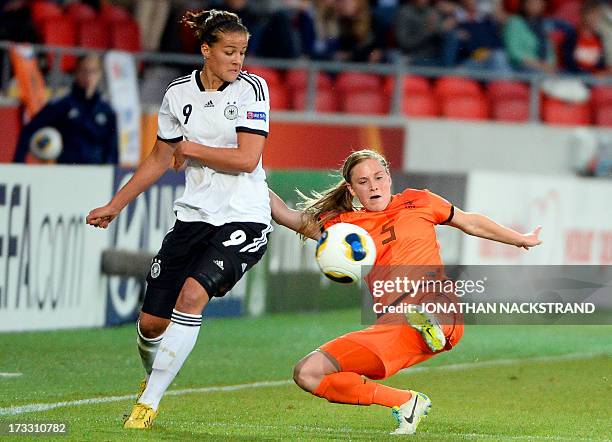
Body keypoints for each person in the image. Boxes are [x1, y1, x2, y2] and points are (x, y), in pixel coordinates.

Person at [268, 149, 542, 435]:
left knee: (428, 300)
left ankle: (431, 321)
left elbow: (469, 221)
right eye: (363, 182)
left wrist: (519, 239)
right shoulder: (344, 228)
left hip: (439, 303)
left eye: (378, 177)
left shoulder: (419, 200)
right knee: (308, 372)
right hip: (393, 326)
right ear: (351, 189)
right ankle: (406, 402)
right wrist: (251, 178)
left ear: (389, 178)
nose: (373, 185)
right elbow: (286, 215)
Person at [86, 9, 272, 429]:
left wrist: (190, 149)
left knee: (191, 298)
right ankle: (151, 379)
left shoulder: (252, 90)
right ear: (206, 50)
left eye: (242, 52)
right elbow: (159, 157)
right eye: (229, 52)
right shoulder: (176, 93)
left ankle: (148, 405)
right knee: (151, 323)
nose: (238, 61)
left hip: (243, 217)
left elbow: (247, 160)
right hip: (193, 217)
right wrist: (117, 204)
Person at [14, 54, 118, 164]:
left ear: (100, 74)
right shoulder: (62, 106)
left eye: (93, 71)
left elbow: (113, 148)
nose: (88, 76)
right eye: (84, 71)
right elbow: (29, 130)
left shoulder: (107, 111)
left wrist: (112, 170)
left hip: (97, 173)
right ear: (76, 73)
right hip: (67, 171)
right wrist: (18, 162)